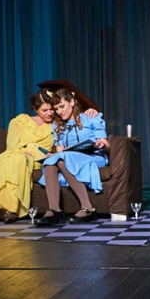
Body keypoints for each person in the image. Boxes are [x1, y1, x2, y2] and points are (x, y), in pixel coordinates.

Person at [0, 91, 56, 223]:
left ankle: (6, 209)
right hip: (14, 155)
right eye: (44, 110)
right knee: (15, 159)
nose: (49, 113)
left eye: (51, 109)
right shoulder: (20, 121)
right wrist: (24, 151)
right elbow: (12, 146)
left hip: (35, 160)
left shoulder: (54, 126)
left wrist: (89, 111)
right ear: (35, 109)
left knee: (20, 161)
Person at [36, 88, 110, 224]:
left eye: (62, 106)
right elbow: (60, 149)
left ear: (71, 102)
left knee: (63, 159)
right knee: (52, 161)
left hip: (93, 157)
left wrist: (101, 144)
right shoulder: (57, 125)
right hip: (70, 158)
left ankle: (88, 208)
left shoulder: (90, 117)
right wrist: (55, 152)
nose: (60, 111)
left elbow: (106, 145)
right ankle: (54, 210)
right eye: (56, 109)